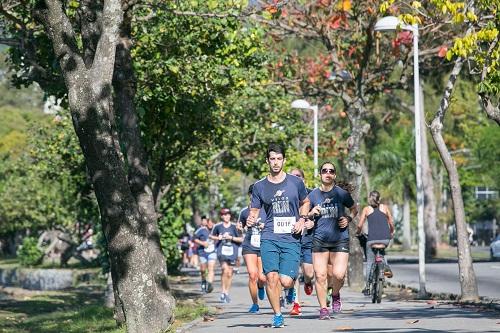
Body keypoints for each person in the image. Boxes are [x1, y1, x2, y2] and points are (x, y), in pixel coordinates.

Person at [247, 143, 310, 328]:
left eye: (279, 159)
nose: (275, 162)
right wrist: (251, 219)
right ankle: (277, 315)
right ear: (267, 161)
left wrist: (302, 219)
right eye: (272, 159)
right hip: (269, 236)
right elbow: (254, 211)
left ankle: (289, 289)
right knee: (271, 277)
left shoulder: (296, 182)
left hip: (291, 237)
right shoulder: (259, 186)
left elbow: (305, 202)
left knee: (286, 281)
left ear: (284, 160)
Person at [308, 162, 358, 320]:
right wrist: (311, 212)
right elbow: (304, 214)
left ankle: (335, 294)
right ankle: (323, 309)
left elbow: (355, 209)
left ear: (334, 175)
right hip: (319, 240)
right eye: (324, 171)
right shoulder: (313, 195)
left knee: (339, 275)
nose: (328, 173)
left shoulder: (341, 193)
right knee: (320, 275)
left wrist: (349, 218)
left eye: (331, 171)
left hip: (340, 239)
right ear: (320, 174)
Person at [356, 190, 394, 296]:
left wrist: (358, 233)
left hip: (371, 240)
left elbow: (360, 225)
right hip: (385, 239)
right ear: (379, 198)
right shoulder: (385, 208)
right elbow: (391, 221)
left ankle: (368, 287)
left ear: (369, 198)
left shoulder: (366, 209)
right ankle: (386, 267)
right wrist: (391, 232)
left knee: (369, 263)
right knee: (381, 253)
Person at [288, 168, 315, 316]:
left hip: (308, 239)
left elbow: (321, 215)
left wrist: (313, 223)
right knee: (294, 273)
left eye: (298, 176)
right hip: (291, 239)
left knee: (308, 273)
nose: (295, 178)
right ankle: (296, 304)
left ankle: (309, 281)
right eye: (292, 176)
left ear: (303, 180)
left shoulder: (313, 194)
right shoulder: (286, 196)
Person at [239, 184, 267, 313]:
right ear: (250, 195)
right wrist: (240, 227)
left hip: (263, 245)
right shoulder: (244, 211)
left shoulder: (266, 209)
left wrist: (263, 225)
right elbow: (240, 226)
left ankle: (261, 287)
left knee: (262, 277)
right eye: (252, 194)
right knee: (252, 274)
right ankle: (255, 304)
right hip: (249, 245)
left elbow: (271, 226)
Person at [211, 208, 243, 303]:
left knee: (229, 273)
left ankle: (226, 292)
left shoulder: (234, 227)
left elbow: (241, 239)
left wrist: (231, 238)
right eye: (224, 215)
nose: (226, 216)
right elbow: (211, 236)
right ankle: (222, 292)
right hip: (222, 251)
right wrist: (218, 237)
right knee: (225, 269)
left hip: (233, 251)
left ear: (230, 216)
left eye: (228, 214)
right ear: (221, 216)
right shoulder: (217, 226)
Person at [193, 216, 216, 293]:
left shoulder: (215, 229)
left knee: (211, 268)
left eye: (211, 223)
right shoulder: (201, 230)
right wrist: (202, 243)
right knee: (203, 270)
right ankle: (203, 281)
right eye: (208, 222)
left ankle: (209, 284)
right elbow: (194, 239)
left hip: (212, 251)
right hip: (202, 252)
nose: (210, 224)